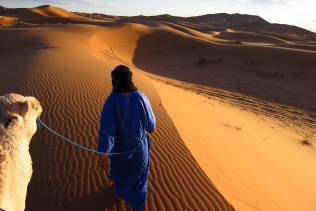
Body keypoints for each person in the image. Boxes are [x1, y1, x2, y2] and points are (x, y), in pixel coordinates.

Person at [97, 65, 156, 211]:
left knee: (121, 175)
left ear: (114, 81)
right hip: (139, 151)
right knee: (139, 180)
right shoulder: (141, 98)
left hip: (119, 152)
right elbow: (151, 127)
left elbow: (107, 132)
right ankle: (137, 205)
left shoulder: (111, 102)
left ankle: (119, 194)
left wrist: (103, 155)